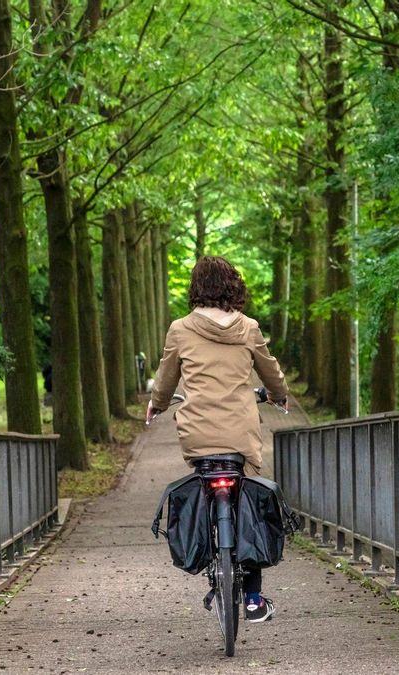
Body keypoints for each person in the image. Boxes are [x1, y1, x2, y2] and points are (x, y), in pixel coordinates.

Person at [147, 255, 290, 623]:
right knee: (250, 503)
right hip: (239, 433)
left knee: (205, 482)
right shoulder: (249, 328)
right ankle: (255, 598)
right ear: (233, 286)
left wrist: (156, 404)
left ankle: (213, 559)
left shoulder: (180, 329)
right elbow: (270, 372)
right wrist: (280, 395)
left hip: (198, 431)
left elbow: (166, 378)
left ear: (196, 288)